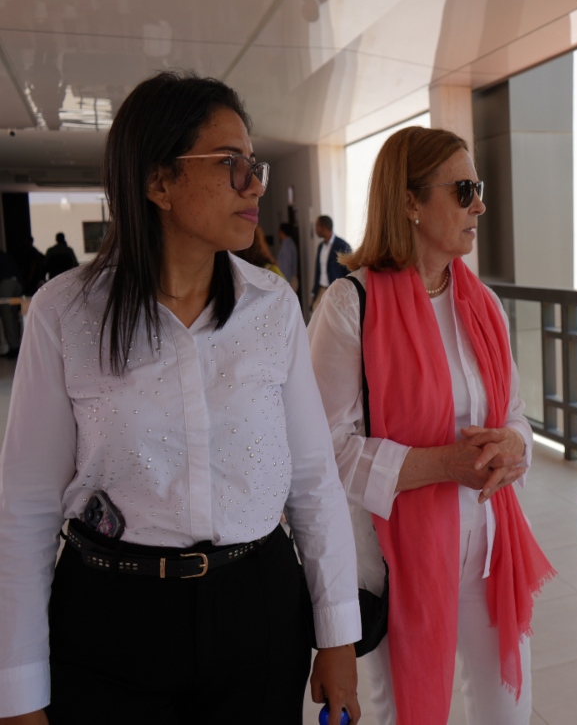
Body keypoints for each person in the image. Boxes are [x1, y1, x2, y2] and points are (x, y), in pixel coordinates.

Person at [0, 71, 362, 724]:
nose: (254, 185)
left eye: (254, 165)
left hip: (258, 606)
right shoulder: (68, 313)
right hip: (111, 618)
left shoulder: (272, 306)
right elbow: (24, 510)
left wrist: (337, 635)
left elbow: (313, 482)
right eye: (230, 164)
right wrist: (17, 690)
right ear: (157, 181)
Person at [308, 126, 554, 725]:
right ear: (411, 202)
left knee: (509, 713)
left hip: (493, 551)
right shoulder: (349, 306)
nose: (480, 205)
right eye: (464, 189)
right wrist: (446, 464)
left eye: (479, 188)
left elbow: (515, 415)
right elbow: (329, 453)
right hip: (403, 562)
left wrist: (513, 445)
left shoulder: (484, 304)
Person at [313, 214, 351, 308]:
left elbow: (349, 271)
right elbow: (318, 271)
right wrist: (314, 292)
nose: (315, 229)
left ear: (324, 227)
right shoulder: (321, 247)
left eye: (317, 226)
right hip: (321, 290)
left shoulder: (342, 245)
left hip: (336, 292)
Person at [0, 250, 22, 357]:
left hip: (7, 283)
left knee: (7, 315)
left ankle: (13, 348)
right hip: (17, 283)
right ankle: (17, 346)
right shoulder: (5, 255)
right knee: (13, 316)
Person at [277, 220, 300, 291]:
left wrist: (284, 282)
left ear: (282, 232)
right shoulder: (288, 243)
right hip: (287, 279)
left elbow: (287, 266)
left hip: (287, 280)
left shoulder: (287, 246)